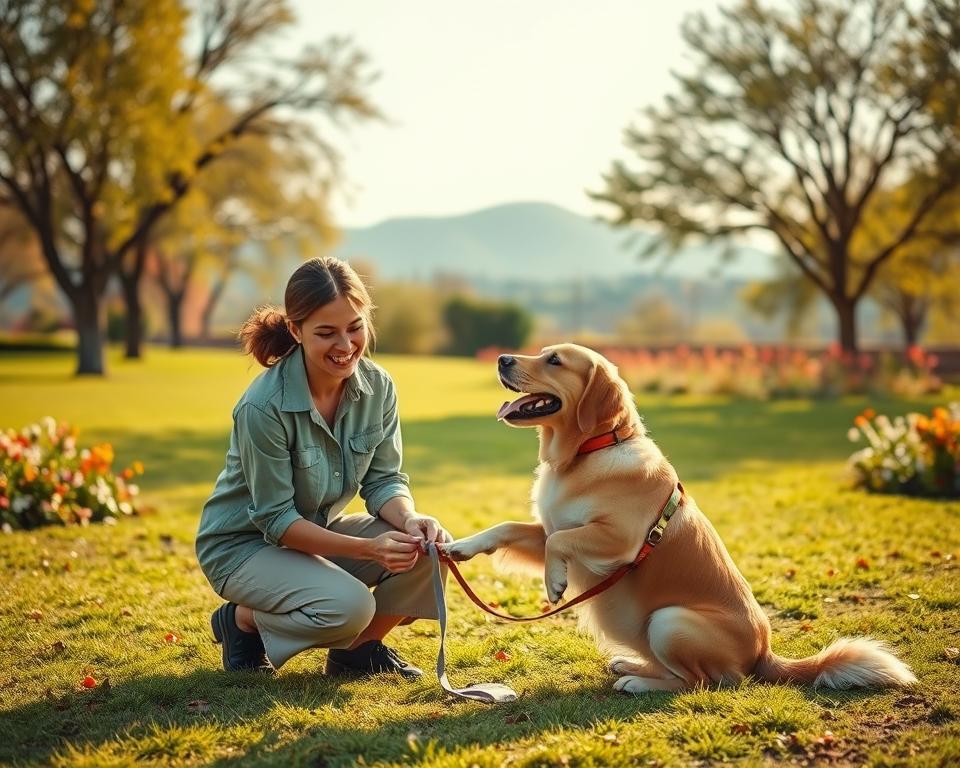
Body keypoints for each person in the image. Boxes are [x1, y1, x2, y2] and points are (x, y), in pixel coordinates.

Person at [196, 256, 450, 678]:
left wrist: (410, 519)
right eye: (326, 333)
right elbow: (276, 521)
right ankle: (241, 620)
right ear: (295, 331)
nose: (346, 345)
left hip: (316, 534)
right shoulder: (263, 407)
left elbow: (385, 479)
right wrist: (371, 549)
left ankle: (358, 652)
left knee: (431, 551)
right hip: (244, 547)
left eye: (354, 327)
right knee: (349, 606)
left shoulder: (379, 387)